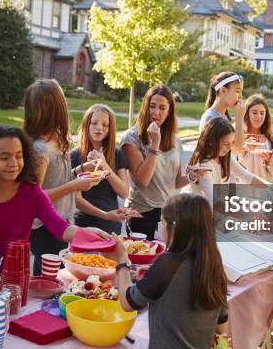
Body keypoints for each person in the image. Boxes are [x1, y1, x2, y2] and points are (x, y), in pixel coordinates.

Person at [0, 125, 108, 281]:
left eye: (19, 155)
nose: (13, 163)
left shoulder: (31, 193)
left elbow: (60, 227)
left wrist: (89, 232)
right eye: (4, 157)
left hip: (12, 281)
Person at [112, 193, 229, 349]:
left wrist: (122, 261)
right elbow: (221, 327)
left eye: (162, 222)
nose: (161, 228)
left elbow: (127, 303)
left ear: (173, 227)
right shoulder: (214, 263)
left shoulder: (167, 263)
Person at [24, 79, 102, 275]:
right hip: (45, 227)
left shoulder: (57, 138)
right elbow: (34, 198)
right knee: (51, 277)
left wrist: (80, 171)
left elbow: (58, 177)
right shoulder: (39, 150)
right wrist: (73, 185)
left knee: (57, 275)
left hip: (63, 220)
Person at [121, 85, 191, 240]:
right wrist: (154, 144)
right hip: (142, 213)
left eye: (162, 108)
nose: (156, 112)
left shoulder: (176, 141)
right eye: (152, 106)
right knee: (142, 261)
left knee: (167, 261)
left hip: (168, 212)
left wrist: (192, 176)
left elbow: (175, 182)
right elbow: (143, 180)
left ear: (169, 112)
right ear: (145, 107)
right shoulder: (131, 138)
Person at [71, 105, 141, 234]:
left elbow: (124, 192)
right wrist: (104, 214)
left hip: (111, 226)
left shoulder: (117, 154)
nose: (99, 127)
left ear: (110, 129)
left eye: (105, 125)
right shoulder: (74, 156)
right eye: (94, 123)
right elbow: (77, 200)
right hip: (85, 225)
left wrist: (105, 165)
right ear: (87, 125)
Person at [185, 118, 269, 204]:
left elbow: (248, 177)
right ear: (211, 141)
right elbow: (214, 203)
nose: (229, 148)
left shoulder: (225, 157)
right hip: (196, 213)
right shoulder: (204, 167)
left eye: (231, 143)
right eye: (225, 144)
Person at [199, 71, 245, 155]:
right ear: (223, 90)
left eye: (241, 92)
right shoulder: (211, 118)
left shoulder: (223, 116)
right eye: (238, 91)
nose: (241, 96)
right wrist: (239, 116)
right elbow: (237, 149)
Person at [239, 94, 273, 183]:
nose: (259, 117)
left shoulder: (271, 138)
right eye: (254, 112)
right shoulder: (239, 136)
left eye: (262, 113)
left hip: (266, 189)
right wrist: (243, 149)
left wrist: (269, 161)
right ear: (247, 113)